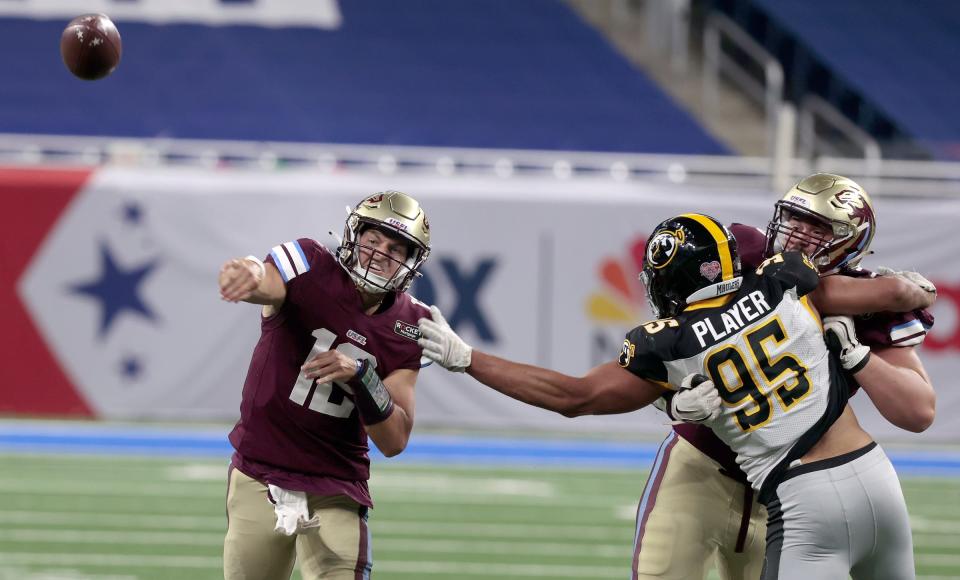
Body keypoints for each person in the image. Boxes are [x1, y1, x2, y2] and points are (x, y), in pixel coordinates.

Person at [418, 212, 928, 579]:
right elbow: (864, 293)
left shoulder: (665, 341)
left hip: (796, 493)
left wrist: (467, 358)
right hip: (873, 472)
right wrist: (909, 291)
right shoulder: (785, 279)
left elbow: (574, 397)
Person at [630, 173, 937, 580]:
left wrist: (858, 354)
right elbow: (665, 343)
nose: (797, 234)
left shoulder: (869, 309)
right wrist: (668, 399)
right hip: (699, 467)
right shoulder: (743, 255)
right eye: (793, 219)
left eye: (817, 227)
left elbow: (919, 411)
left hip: (788, 495)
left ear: (852, 239)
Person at [219, 190, 432, 580]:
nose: (381, 253)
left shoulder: (411, 324)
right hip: (259, 471)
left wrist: (362, 376)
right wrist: (249, 272)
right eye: (373, 240)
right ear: (353, 236)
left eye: (396, 248)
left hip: (336, 484)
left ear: (410, 262)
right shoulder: (311, 263)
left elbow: (395, 439)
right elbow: (267, 281)